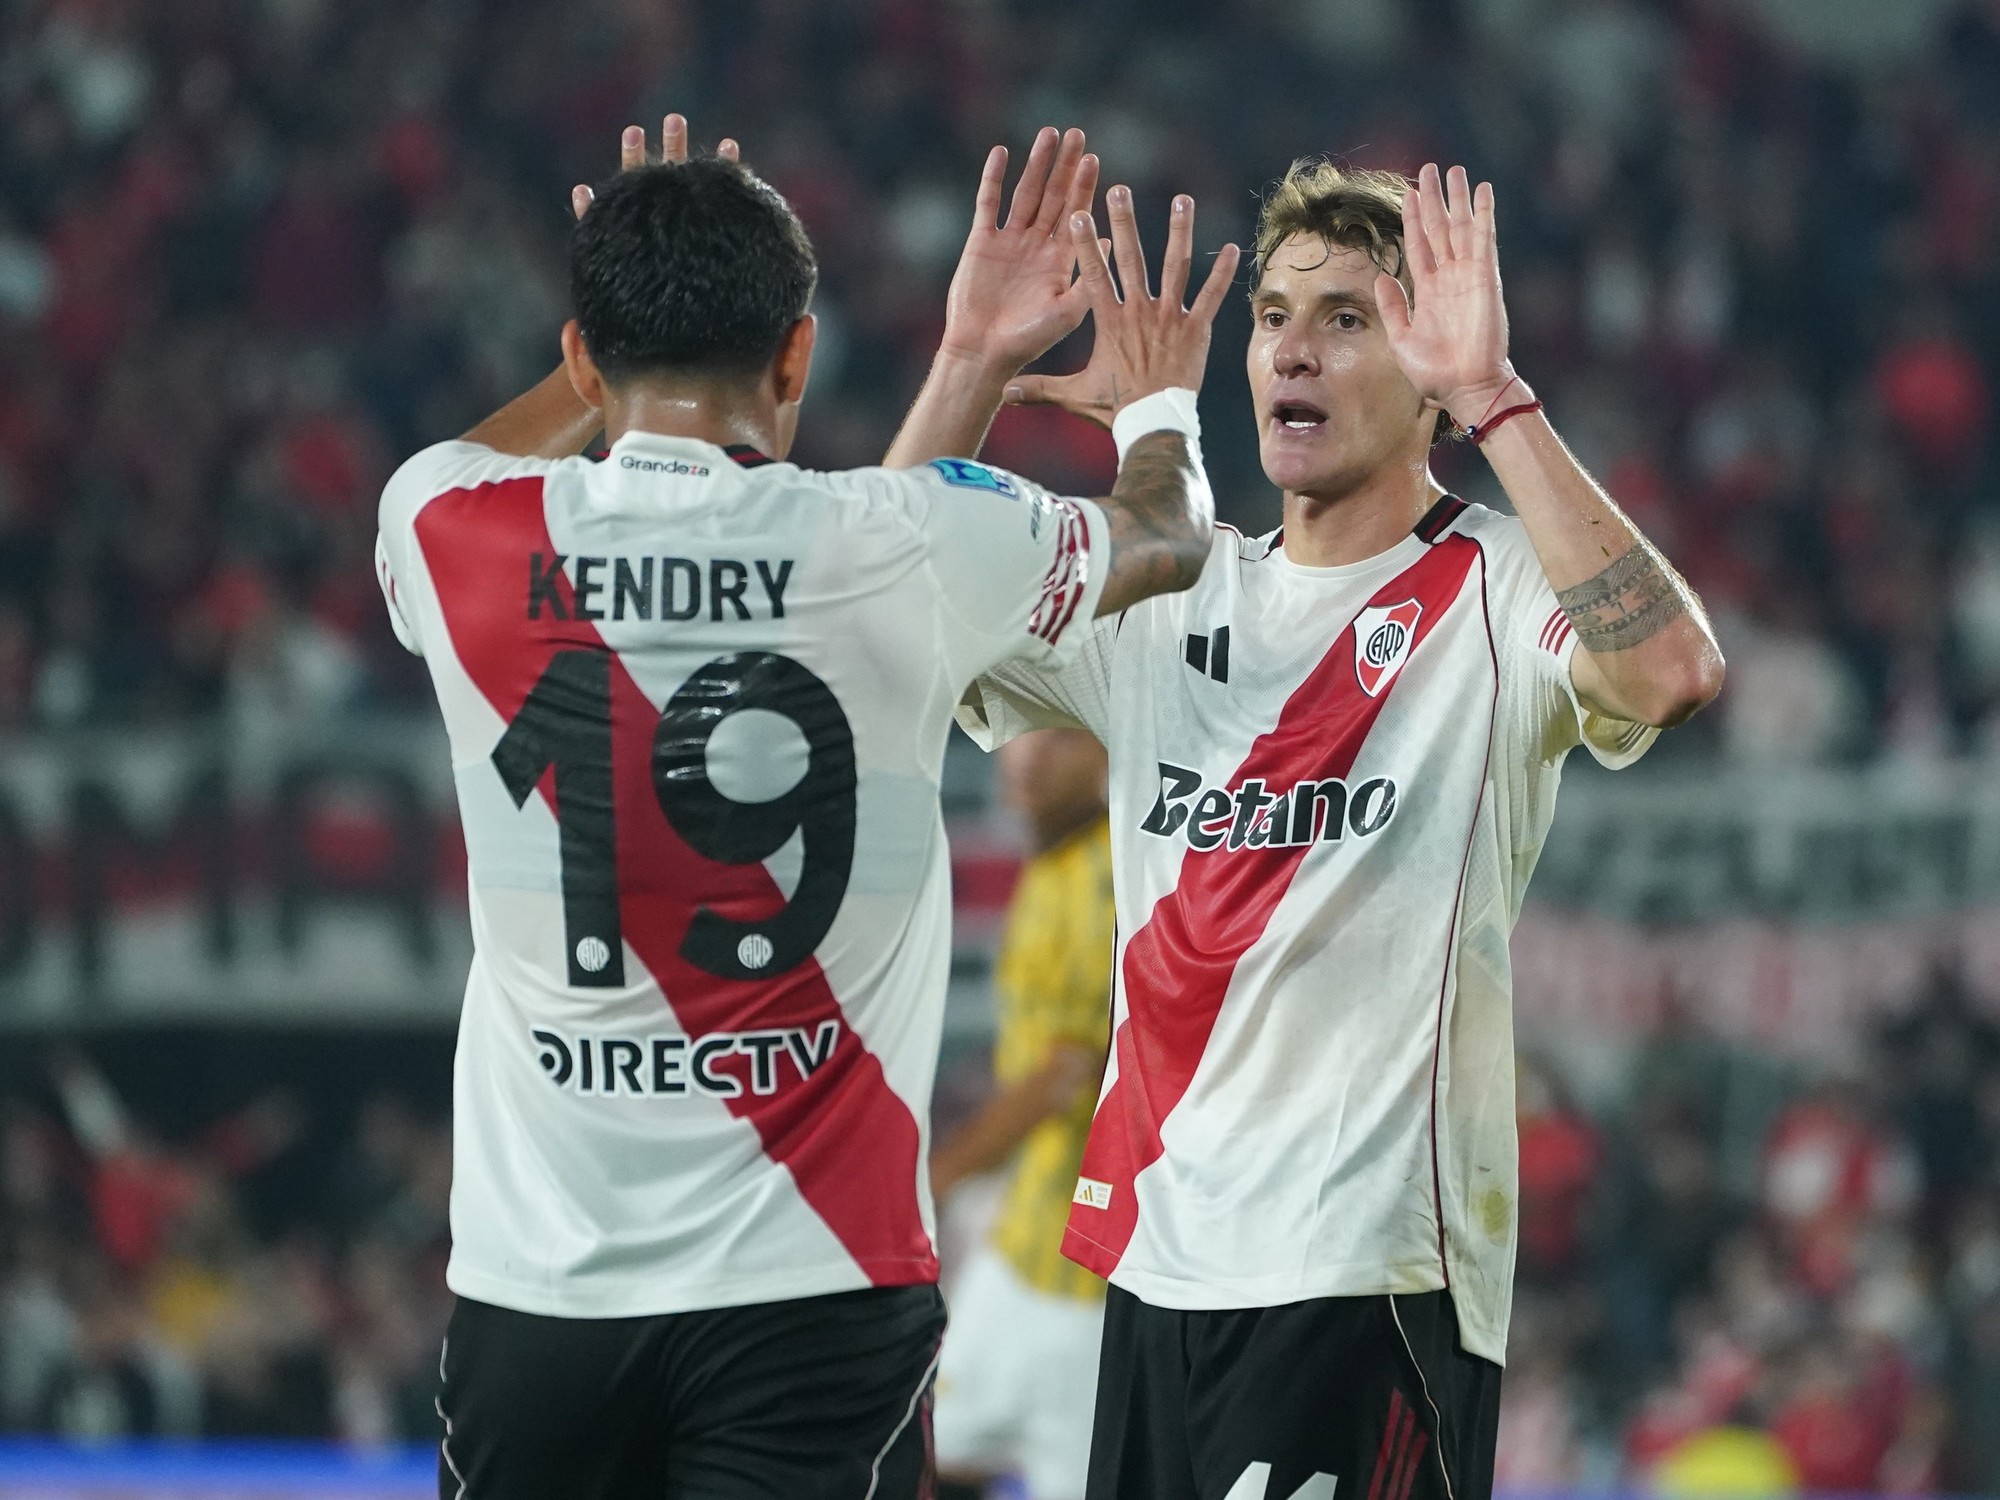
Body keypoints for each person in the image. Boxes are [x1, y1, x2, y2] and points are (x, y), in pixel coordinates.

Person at [373, 114, 1238, 1500]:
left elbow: (499, 459)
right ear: (797, 357)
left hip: (542, 1293)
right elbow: (1165, 535)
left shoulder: (447, 526)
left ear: (583, 360)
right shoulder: (903, 542)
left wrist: (617, 312)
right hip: (819, 1286)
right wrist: (1156, 405)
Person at [892, 159, 1725, 1499]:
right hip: (1154, 1267)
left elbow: (1671, 672)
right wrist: (969, 364)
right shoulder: (1169, 588)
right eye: (1275, 316)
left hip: (1361, 1279)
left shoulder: (1495, 586)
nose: (1291, 348)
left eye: (1346, 319)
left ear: (1424, 369)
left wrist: (1495, 397)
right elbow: (874, 619)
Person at [931, 728, 1115, 1500]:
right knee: (926, 1449)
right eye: (1018, 731)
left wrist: (935, 1177)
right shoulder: (1054, 860)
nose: (1030, 753)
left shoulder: (1108, 875)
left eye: (1061, 735)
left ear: (1107, 752)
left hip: (1087, 1277)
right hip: (1026, 1242)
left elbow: (1063, 1077)